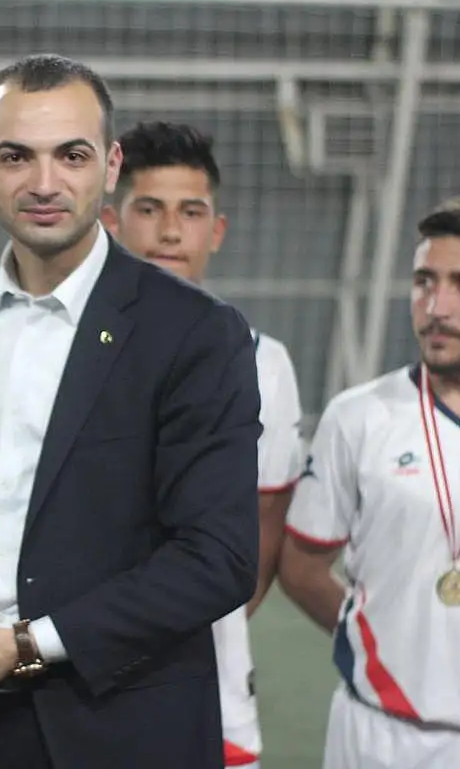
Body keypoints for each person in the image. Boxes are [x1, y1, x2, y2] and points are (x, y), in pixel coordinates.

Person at [0, 53, 262, 768]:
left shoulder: (195, 331)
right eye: (16, 157)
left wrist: (24, 645)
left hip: (128, 726)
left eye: (71, 155)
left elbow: (218, 560)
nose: (43, 183)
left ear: (110, 166)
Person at [278, 193, 460, 768]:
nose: (436, 306)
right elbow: (301, 566)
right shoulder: (357, 417)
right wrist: (375, 641)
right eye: (424, 282)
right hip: (376, 737)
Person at [100, 121, 304, 768]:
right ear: (110, 222)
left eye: (190, 213)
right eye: (149, 209)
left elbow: (263, 530)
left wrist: (187, 623)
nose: (169, 232)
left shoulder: (266, 363)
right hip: (80, 683)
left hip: (212, 686)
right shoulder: (66, 353)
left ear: (215, 230)